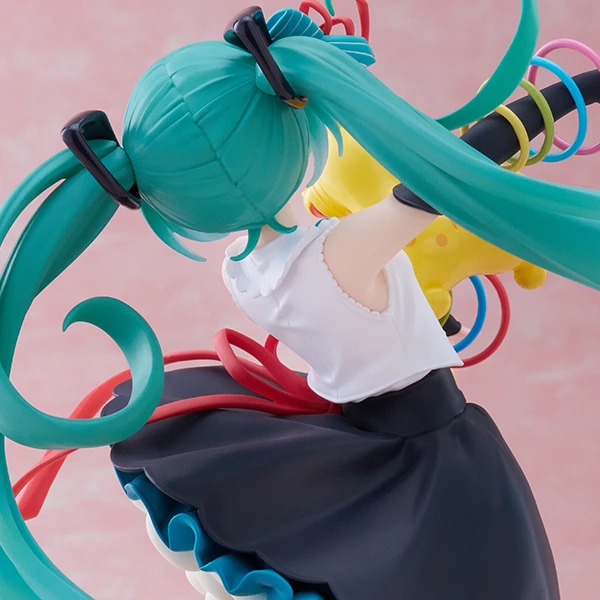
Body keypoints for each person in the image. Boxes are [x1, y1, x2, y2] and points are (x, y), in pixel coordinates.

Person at [2, 2, 599, 599]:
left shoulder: (242, 269)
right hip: (430, 445)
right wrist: (566, 97)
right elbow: (453, 172)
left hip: (361, 427)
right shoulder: (340, 254)